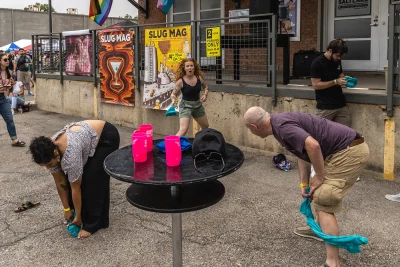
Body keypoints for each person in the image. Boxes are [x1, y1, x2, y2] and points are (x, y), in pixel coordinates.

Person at [243, 107, 369, 267]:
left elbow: (313, 146)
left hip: (348, 152)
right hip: (342, 150)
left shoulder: (282, 127)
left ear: (254, 127)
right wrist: (305, 183)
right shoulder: (278, 123)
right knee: (316, 192)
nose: (251, 132)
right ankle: (320, 228)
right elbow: (304, 154)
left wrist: (319, 176)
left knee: (324, 200)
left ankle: (332, 263)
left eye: (249, 129)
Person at [29, 120, 120, 239]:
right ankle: (75, 213)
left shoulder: (70, 154)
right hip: (86, 138)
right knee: (70, 178)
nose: (49, 167)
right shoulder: (48, 152)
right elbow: (60, 182)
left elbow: (75, 188)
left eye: (50, 164)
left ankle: (94, 223)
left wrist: (79, 217)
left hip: (106, 137)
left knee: (92, 180)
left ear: (55, 153)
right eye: (45, 166)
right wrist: (67, 209)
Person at [311, 39, 349, 126]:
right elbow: (316, 85)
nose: (339, 58)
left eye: (341, 56)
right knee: (319, 133)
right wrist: (335, 82)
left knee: (345, 134)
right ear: (330, 50)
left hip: (341, 105)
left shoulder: (337, 60)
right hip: (325, 107)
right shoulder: (317, 63)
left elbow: (340, 75)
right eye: (337, 55)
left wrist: (346, 79)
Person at [170, 58, 210, 136]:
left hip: (197, 105)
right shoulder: (180, 82)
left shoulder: (199, 78)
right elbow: (173, 94)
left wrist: (205, 94)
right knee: (183, 130)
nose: (190, 68)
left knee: (205, 126)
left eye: (191, 65)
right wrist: (173, 100)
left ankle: (198, 140)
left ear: (194, 67)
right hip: (185, 106)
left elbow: (206, 87)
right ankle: (170, 145)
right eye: (187, 66)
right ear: (184, 68)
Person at [0, 53, 26, 147]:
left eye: (8, 59)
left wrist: (10, 85)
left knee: (10, 119)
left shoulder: (8, 72)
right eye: (5, 60)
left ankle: (14, 140)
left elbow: (9, 86)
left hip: (3, 99)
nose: (7, 61)